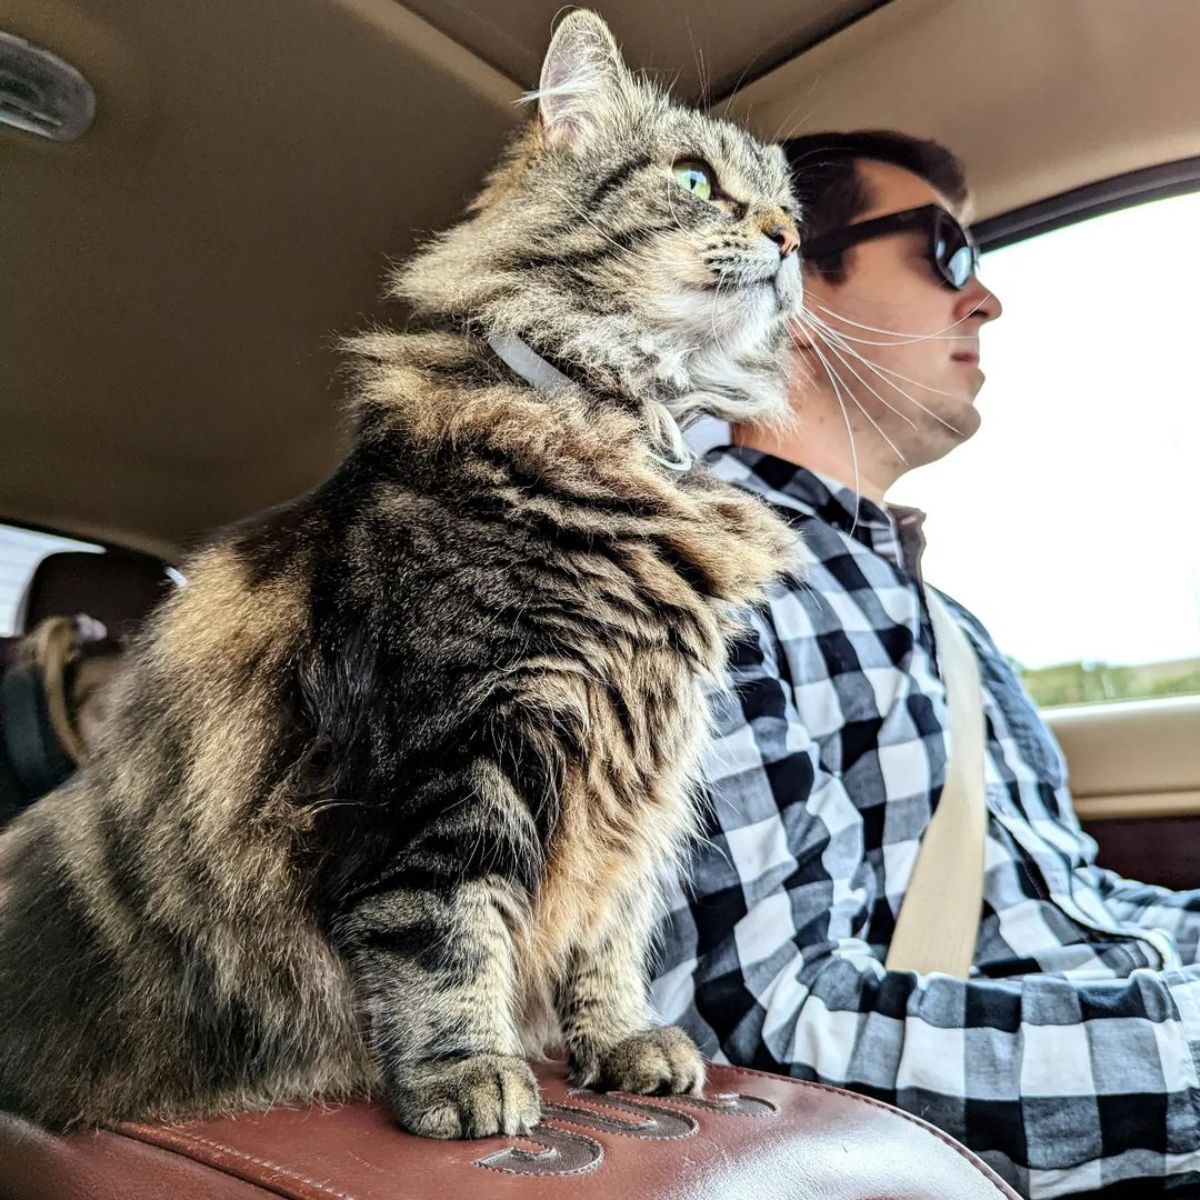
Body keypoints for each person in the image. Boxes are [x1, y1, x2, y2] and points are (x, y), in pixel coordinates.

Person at [651, 130, 1200, 1199]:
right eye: (944, 250)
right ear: (785, 274)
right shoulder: (681, 583)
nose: (986, 298)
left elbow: (1070, 908)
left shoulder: (952, 625)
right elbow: (765, 1043)